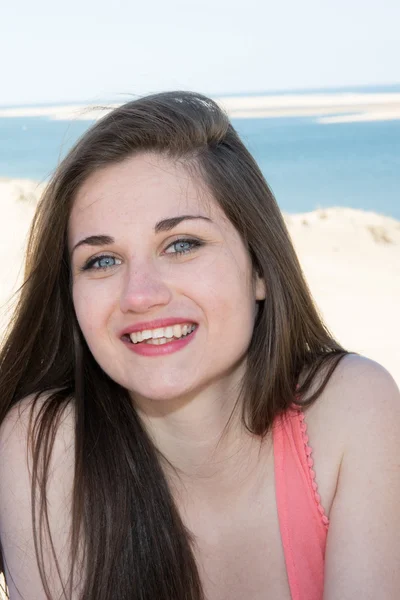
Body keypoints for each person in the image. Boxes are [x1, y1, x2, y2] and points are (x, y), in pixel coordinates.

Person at [0, 91, 399, 600]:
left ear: (259, 268)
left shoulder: (349, 408)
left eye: (182, 244)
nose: (140, 295)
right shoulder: (46, 448)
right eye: (102, 261)